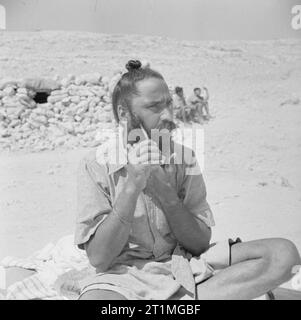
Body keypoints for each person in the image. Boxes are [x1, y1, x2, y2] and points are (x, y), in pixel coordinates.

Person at [75, 60, 300, 300]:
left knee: (283, 255)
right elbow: (99, 258)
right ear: (124, 113)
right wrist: (132, 187)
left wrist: (165, 191)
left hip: (185, 264)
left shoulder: (184, 158)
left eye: (169, 104)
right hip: (124, 276)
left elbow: (200, 244)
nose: (169, 115)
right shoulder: (96, 164)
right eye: (154, 107)